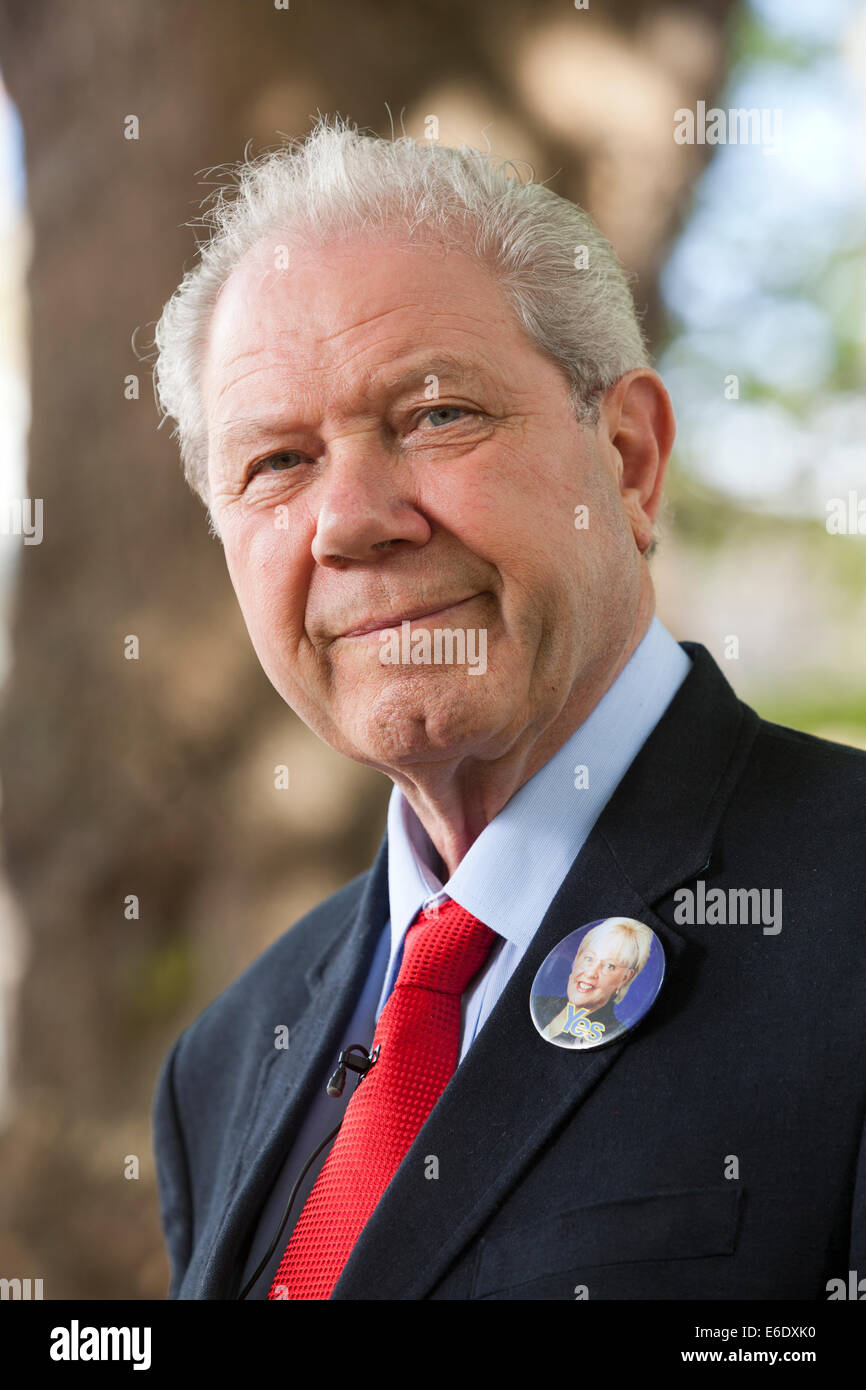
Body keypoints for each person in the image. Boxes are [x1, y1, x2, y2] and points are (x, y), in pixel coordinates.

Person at [151, 115, 866, 1301]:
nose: (351, 520)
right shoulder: (226, 1057)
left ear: (629, 458)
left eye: (435, 415)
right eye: (277, 462)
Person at [534, 918, 653, 1047]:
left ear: (625, 978)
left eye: (609, 966)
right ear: (577, 958)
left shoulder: (614, 1033)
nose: (591, 973)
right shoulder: (538, 1002)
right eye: (589, 958)